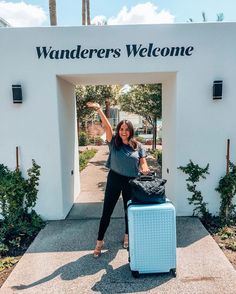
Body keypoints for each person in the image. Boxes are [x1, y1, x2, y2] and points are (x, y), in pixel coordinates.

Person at [86, 101, 150, 258]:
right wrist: (99, 109)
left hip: (131, 181)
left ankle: (127, 236)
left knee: (129, 212)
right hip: (114, 179)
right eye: (121, 129)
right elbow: (107, 127)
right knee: (107, 211)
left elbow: (142, 161)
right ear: (118, 130)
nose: (124, 132)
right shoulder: (114, 143)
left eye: (127, 130)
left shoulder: (138, 145)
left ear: (131, 131)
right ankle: (99, 242)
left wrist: (145, 168)